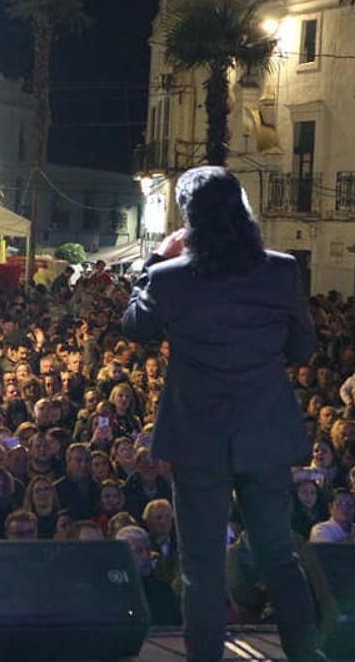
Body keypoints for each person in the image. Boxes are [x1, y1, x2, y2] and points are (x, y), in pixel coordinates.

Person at [122, 166, 321, 662]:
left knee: (202, 566)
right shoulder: (282, 269)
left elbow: (134, 327)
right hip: (265, 433)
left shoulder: (170, 277)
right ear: (243, 210)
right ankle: (305, 653)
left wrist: (154, 259)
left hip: (198, 438)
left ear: (189, 220)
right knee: (279, 555)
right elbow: (302, 347)